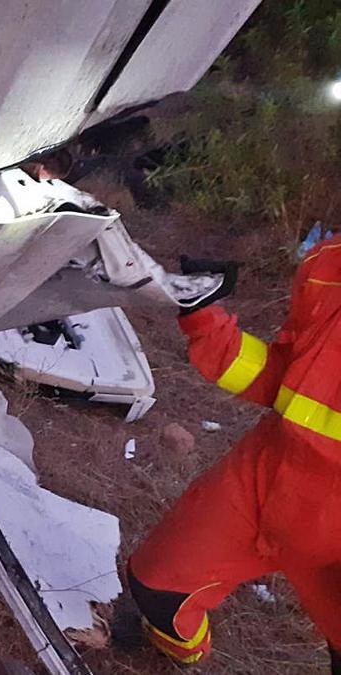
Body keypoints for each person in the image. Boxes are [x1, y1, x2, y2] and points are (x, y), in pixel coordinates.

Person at [128, 252, 341, 671]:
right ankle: (179, 653)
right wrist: (204, 318)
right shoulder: (327, 266)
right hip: (269, 477)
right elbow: (288, 377)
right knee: (157, 586)